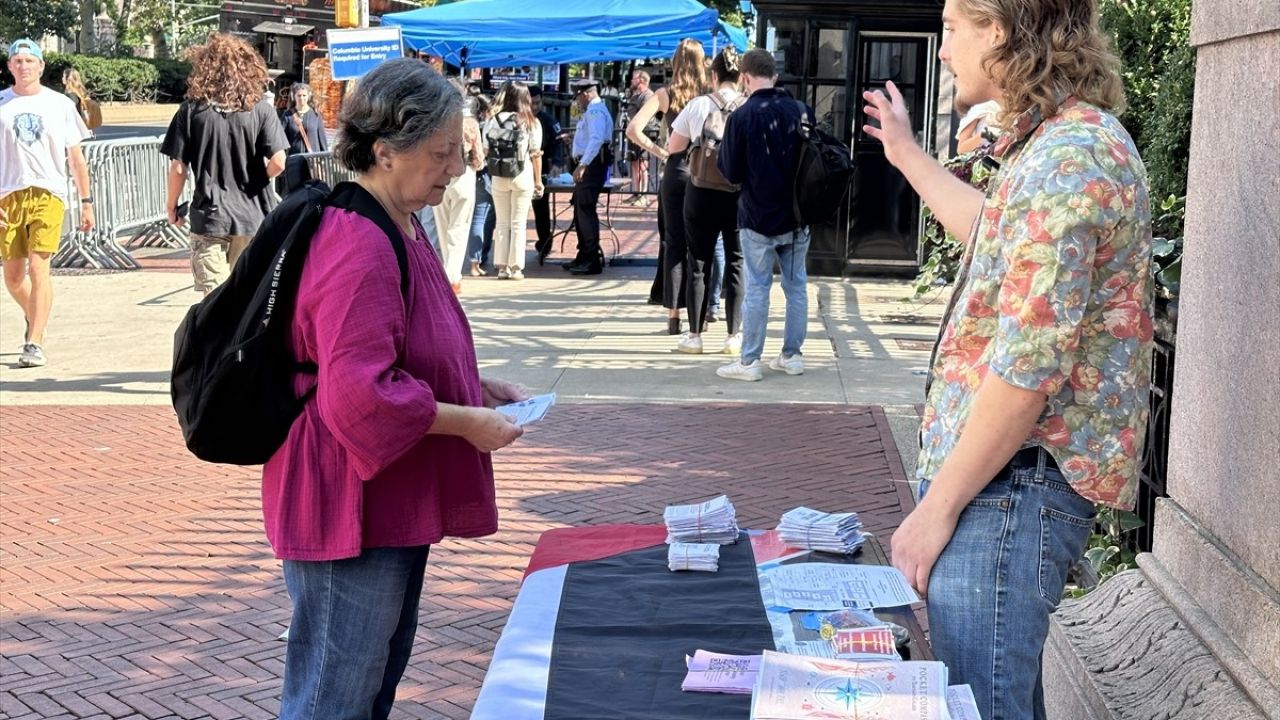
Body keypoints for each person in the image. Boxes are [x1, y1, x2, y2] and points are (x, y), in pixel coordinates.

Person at [863, 1, 1152, 718]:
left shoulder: (1067, 158)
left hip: (1012, 483)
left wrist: (936, 508)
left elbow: (1029, 370)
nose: (942, 48)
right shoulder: (1057, 147)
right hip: (1006, 480)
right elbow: (990, 235)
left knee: (979, 706)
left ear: (998, 28)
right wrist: (906, 154)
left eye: (952, 27)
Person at [263, 58, 527, 720]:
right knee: (336, 695)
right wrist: (464, 421)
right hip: (351, 503)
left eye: (455, 151)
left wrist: (472, 386)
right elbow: (359, 394)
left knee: (364, 684)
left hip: (381, 499)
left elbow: (400, 347)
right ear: (384, 151)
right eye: (440, 153)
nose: (456, 168)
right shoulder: (360, 240)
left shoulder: (399, 222)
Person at [162, 33, 288, 297]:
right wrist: (255, 182)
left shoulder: (191, 111)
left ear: (205, 69)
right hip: (252, 218)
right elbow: (279, 162)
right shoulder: (261, 110)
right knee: (247, 298)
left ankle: (221, 339)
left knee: (215, 303)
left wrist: (172, 205)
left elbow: (178, 168)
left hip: (210, 216)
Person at [715, 49, 813, 382]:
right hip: (798, 215)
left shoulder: (742, 116)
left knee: (757, 288)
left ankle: (750, 361)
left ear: (744, 76)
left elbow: (730, 169)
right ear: (775, 73)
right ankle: (792, 355)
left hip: (756, 213)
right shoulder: (800, 111)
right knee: (796, 286)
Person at [0, 39, 94, 368]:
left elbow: (77, 158)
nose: (24, 66)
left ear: (41, 66)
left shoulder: (59, 105)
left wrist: (86, 202)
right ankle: (35, 315)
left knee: (40, 268)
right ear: (9, 66)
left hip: (48, 194)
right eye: (18, 61)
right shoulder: (1, 103)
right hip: (8, 196)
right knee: (12, 277)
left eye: (30, 60)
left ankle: (34, 342)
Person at [626, 38, 708, 333]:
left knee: (673, 242)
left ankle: (673, 316)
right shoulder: (709, 94)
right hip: (704, 170)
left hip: (675, 170)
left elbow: (633, 129)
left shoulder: (665, 94)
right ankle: (701, 314)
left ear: (675, 62)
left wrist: (661, 152)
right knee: (701, 243)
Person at [669, 47, 744, 356]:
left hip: (700, 190)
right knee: (737, 262)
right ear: (741, 78)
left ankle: (695, 336)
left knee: (698, 262)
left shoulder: (699, 104)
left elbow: (675, 146)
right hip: (739, 194)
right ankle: (733, 337)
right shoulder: (749, 106)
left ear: (713, 75)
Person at [484, 82, 543, 280]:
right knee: (518, 223)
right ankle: (516, 267)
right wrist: (538, 181)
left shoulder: (493, 120)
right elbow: (535, 154)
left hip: (498, 175)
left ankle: (501, 267)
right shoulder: (531, 122)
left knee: (502, 222)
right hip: (522, 175)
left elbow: (486, 149)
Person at [432, 82, 483, 293]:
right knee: (459, 229)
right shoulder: (470, 123)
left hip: (440, 176)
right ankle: (453, 276)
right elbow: (479, 159)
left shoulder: (437, 122)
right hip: (464, 176)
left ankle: (447, 274)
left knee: (443, 229)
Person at [564, 77, 614, 276]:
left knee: (585, 210)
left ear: (586, 94)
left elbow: (596, 139)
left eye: (578, 97)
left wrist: (583, 165)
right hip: (591, 164)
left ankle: (591, 258)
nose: (577, 102)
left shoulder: (595, 111)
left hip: (592, 166)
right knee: (580, 209)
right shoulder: (594, 110)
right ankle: (584, 254)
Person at [529, 85, 562, 264]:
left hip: (541, 171)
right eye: (531, 103)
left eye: (537, 103)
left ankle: (545, 243)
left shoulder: (548, 120)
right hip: (519, 171)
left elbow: (557, 144)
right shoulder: (518, 119)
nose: (534, 107)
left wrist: (557, 163)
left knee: (541, 210)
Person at [622, 70, 655, 204]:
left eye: (634, 78)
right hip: (633, 135)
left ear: (641, 80)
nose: (631, 81)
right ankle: (636, 192)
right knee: (635, 164)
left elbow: (646, 116)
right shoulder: (635, 96)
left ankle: (643, 195)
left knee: (642, 165)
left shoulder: (648, 96)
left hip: (644, 134)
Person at [281, 83, 328, 155]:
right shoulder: (287, 115)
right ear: (294, 96)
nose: (301, 98)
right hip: (294, 159)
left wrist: (324, 156)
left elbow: (322, 139)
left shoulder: (315, 115)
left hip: (312, 158)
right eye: (299, 95)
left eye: (304, 95)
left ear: (308, 96)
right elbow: (281, 139)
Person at [61, 68, 99, 137]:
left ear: (68, 79)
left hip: (72, 130)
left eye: (63, 76)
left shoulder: (71, 95)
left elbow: (71, 113)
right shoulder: (77, 94)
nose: (62, 78)